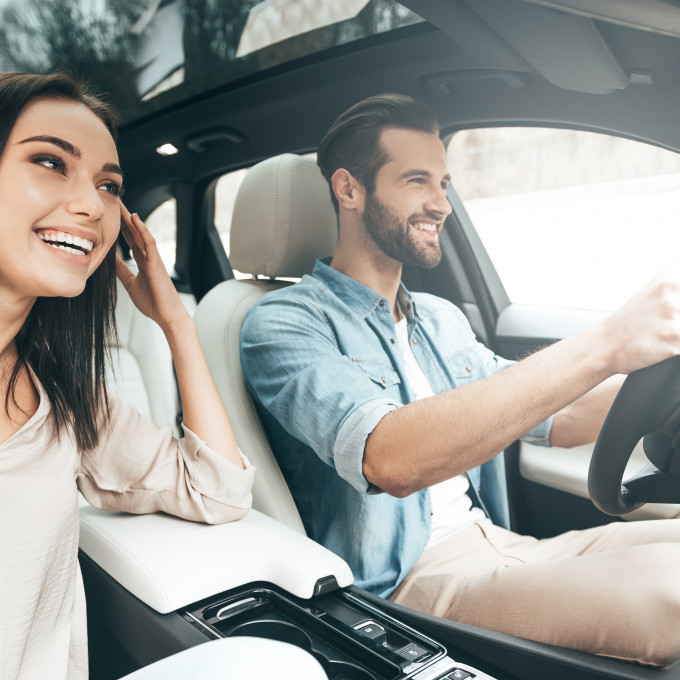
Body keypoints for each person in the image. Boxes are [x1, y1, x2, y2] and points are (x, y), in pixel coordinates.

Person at [240, 93, 680, 667]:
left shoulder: (440, 319)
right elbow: (388, 458)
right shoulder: (282, 325)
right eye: (417, 181)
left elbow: (558, 417)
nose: (441, 203)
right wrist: (606, 343)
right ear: (349, 190)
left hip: (505, 546)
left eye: (445, 183)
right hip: (405, 585)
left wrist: (662, 385)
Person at [0, 72, 254, 679]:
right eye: (50, 162)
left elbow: (218, 490)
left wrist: (175, 322)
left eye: (109, 184)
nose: (92, 204)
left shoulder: (64, 401)